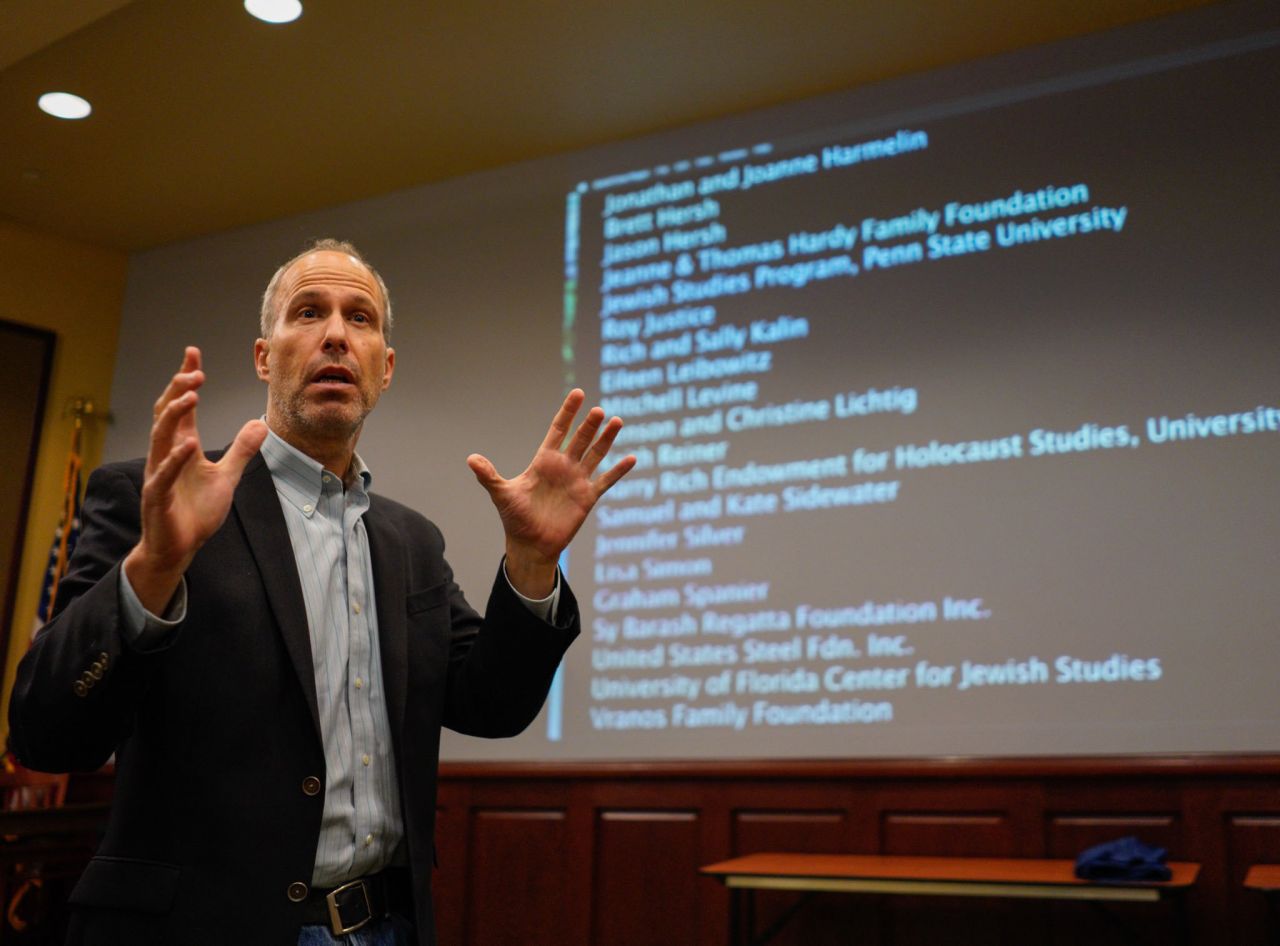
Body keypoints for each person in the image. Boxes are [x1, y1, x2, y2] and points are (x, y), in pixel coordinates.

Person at [7, 239, 634, 945]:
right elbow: (46, 732)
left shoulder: (411, 542)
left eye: (360, 319)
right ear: (264, 356)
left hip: (387, 926)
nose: (336, 333)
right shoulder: (157, 499)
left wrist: (530, 563)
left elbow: (490, 706)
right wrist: (154, 567)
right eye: (309, 312)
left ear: (385, 369)